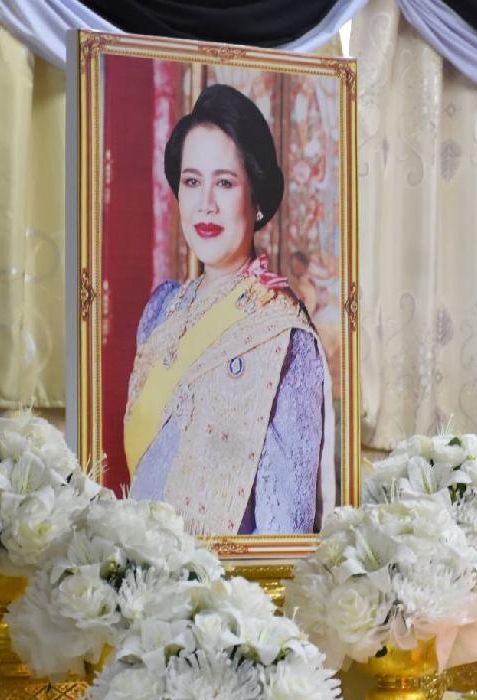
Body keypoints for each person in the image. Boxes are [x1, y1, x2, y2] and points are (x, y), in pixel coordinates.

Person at [123, 84, 334, 535]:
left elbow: (285, 530)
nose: (206, 205)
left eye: (224, 182)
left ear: (256, 199)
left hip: (224, 578)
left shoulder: (283, 336)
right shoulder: (161, 311)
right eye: (192, 182)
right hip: (138, 563)